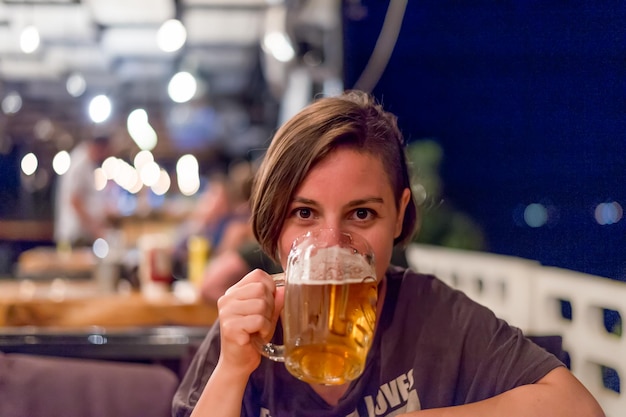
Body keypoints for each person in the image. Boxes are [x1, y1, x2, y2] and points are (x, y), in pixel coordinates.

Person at [172, 91, 604, 416]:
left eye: (361, 213)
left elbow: (578, 407)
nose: (331, 246)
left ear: (398, 216)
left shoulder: (431, 315)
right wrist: (232, 368)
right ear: (273, 220)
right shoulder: (247, 326)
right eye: (304, 213)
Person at [54, 134, 113, 247]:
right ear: (100, 147)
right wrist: (94, 227)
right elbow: (74, 201)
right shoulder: (80, 163)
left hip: (81, 235)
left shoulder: (86, 162)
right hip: (75, 237)